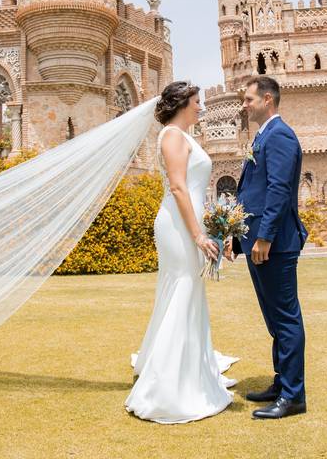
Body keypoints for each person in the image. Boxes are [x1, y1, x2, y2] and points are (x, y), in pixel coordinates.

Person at [124, 81, 238, 424]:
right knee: (183, 289)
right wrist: (198, 235)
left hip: (189, 222)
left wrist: (216, 229)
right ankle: (168, 387)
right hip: (178, 226)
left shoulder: (185, 136)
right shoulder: (172, 136)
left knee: (186, 291)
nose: (201, 107)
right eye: (196, 102)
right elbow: (177, 187)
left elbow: (196, 190)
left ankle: (185, 369)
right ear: (182, 104)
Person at [229, 76, 309, 419]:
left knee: (286, 318)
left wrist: (265, 236)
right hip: (258, 241)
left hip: (273, 244)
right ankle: (282, 382)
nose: (244, 105)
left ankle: (293, 396)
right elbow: (252, 191)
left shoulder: (280, 136)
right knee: (275, 319)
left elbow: (278, 189)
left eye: (249, 99)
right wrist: (237, 235)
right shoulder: (264, 136)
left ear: (267, 100)